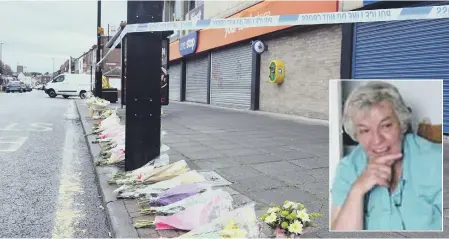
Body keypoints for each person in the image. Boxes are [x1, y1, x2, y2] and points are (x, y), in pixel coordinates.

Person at [331, 81, 442, 231]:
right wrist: (357, 191)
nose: (377, 140)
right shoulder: (348, 168)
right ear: (356, 134)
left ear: (401, 124)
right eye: (365, 131)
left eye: (386, 126)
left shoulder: (436, 160)